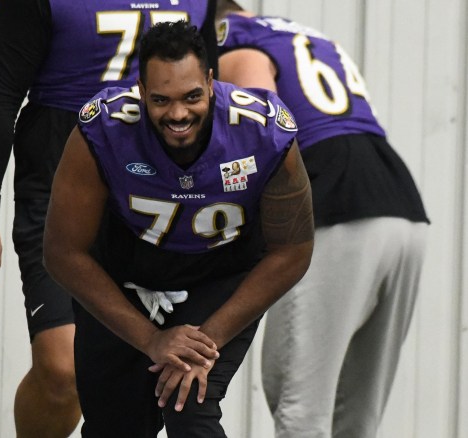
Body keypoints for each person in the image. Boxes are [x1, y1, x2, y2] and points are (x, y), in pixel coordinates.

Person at [0, 1, 219, 436]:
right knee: (62, 370)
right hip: (62, 183)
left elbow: (212, 95)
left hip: (154, 192)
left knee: (137, 376)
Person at [42, 20, 314, 438]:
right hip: (125, 274)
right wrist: (152, 339)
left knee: (190, 402)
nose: (178, 114)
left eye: (191, 96)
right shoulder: (104, 129)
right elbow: (63, 253)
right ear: (140, 89)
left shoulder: (263, 132)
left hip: (219, 276)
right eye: (161, 100)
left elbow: (292, 250)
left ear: (210, 81)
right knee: (117, 425)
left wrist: (208, 339)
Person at [215, 2, 430, 437]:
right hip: (398, 198)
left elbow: (264, 127)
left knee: (300, 406)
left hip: (334, 198)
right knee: (354, 415)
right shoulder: (299, 32)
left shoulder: (231, 41)